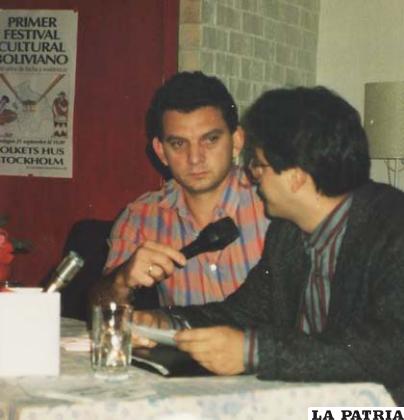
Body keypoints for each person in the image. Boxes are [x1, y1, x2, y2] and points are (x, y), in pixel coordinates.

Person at [133, 86, 404, 403]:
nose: (252, 177)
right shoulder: (287, 234)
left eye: (258, 165)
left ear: (295, 175)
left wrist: (254, 353)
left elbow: (391, 347)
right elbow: (243, 311)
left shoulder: (393, 227)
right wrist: (166, 321)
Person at [92, 71, 268, 308]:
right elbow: (100, 307)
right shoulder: (142, 216)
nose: (194, 158)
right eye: (178, 144)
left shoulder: (271, 202)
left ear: (236, 140)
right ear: (161, 151)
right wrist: (121, 280)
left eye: (210, 139)